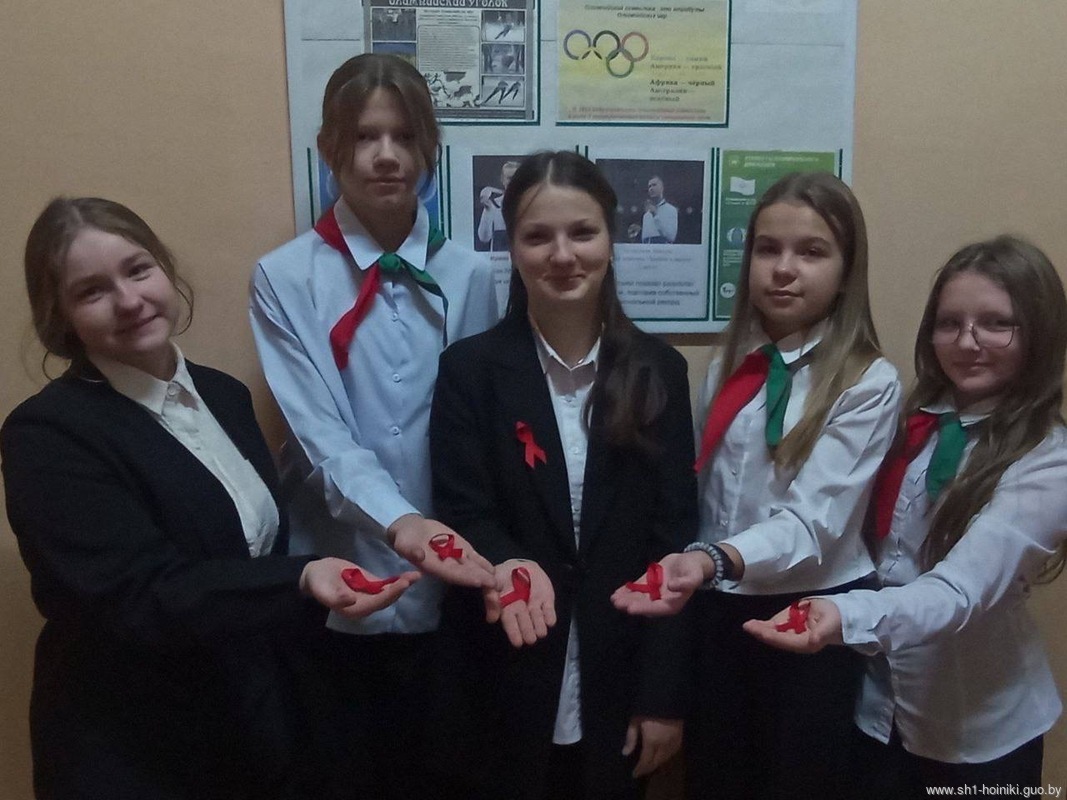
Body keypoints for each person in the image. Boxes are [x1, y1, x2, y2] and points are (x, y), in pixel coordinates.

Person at [2, 197, 420, 800]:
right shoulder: (48, 433)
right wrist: (301, 579)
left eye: (138, 270)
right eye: (92, 291)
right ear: (60, 316)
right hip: (132, 746)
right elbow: (138, 594)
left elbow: (247, 551)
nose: (129, 300)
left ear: (165, 269)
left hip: (244, 726)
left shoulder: (222, 395)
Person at [248, 53, 498, 799]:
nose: (386, 155)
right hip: (336, 575)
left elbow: (474, 436)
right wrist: (400, 523)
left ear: (429, 149)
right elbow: (318, 434)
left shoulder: (470, 275)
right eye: (363, 137)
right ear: (329, 149)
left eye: (403, 136)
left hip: (452, 584)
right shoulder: (285, 276)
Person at [613, 172, 902, 798]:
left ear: (847, 272)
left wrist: (711, 558)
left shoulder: (868, 382)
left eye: (812, 252)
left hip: (810, 620)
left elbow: (815, 522)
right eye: (768, 249)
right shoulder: (730, 365)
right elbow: (702, 493)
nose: (784, 269)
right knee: (717, 777)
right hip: (718, 609)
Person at [745, 236, 1067, 796]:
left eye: (997, 324)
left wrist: (842, 616)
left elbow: (959, 592)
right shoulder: (911, 421)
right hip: (874, 710)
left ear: (1038, 332)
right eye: (950, 323)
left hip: (976, 731)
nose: (967, 342)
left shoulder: (1049, 459)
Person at [430, 150, 697, 800]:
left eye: (582, 232)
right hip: (503, 671)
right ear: (511, 248)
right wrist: (508, 564)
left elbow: (673, 539)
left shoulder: (658, 370)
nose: (562, 255)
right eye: (537, 236)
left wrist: (662, 697)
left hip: (620, 679)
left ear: (610, 239)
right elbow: (463, 511)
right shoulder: (469, 371)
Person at [477, 159, 519, 251]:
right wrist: (488, 210)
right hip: (498, 257)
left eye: (516, 178)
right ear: (502, 179)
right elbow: (484, 238)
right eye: (509, 178)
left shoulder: (531, 205)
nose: (513, 182)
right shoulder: (493, 205)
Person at [640, 175, 678, 244]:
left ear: (662, 188)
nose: (651, 188)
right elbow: (644, 240)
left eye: (654, 185)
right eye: (649, 186)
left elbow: (671, 237)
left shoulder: (671, 210)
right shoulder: (646, 215)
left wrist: (655, 215)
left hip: (663, 249)